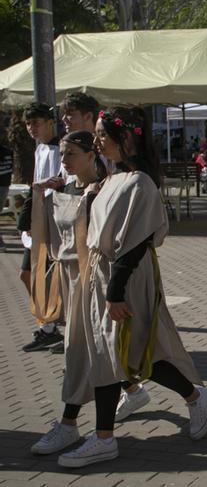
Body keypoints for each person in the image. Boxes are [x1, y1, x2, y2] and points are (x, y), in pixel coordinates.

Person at [57, 107, 207, 468]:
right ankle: (194, 396)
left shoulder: (140, 182)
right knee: (124, 353)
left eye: (101, 134)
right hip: (104, 273)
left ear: (125, 137)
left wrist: (115, 291)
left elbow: (136, 243)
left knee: (118, 353)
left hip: (125, 277)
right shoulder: (114, 178)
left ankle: (104, 438)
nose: (96, 140)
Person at [28, 131, 104, 455]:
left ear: (90, 155)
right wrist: (42, 195)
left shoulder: (104, 189)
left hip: (98, 280)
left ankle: (76, 427)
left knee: (92, 351)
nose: (63, 161)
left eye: (70, 153)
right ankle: (78, 426)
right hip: (72, 279)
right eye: (62, 154)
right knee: (87, 352)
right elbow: (47, 236)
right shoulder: (64, 189)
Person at [20, 102, 65, 352]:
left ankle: (51, 326)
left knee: (45, 277)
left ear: (50, 122)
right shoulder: (40, 149)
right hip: (37, 218)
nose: (31, 128)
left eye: (35, 122)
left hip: (52, 222)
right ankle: (48, 324)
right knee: (28, 275)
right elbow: (36, 185)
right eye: (28, 123)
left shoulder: (61, 148)